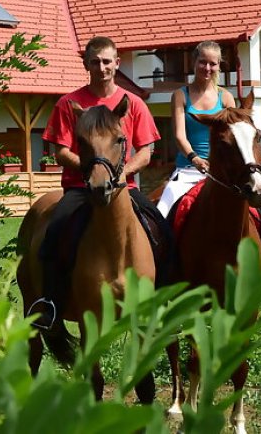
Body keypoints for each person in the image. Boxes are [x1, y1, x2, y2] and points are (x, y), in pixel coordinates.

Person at [31, 35, 161, 329]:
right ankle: (48, 302)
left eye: (107, 61)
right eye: (95, 62)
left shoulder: (134, 104)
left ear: (117, 63)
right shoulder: (69, 104)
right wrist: (92, 172)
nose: (101, 67)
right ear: (86, 64)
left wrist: (120, 175)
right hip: (80, 189)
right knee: (54, 232)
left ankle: (164, 298)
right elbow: (61, 151)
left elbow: (146, 151)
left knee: (161, 228)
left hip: (124, 189)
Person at [156, 41, 261, 238]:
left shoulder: (225, 97)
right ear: (194, 62)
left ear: (219, 66)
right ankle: (166, 265)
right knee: (162, 213)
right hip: (187, 171)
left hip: (223, 173)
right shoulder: (180, 95)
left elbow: (235, 136)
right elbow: (179, 135)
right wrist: (194, 158)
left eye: (213, 63)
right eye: (203, 62)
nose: (207, 68)